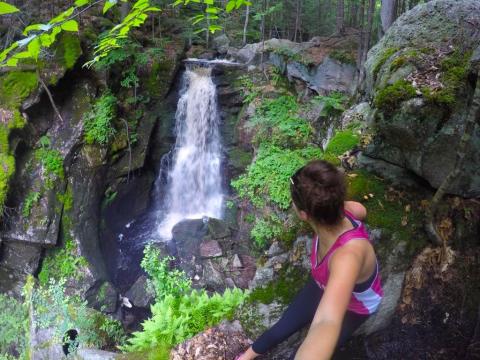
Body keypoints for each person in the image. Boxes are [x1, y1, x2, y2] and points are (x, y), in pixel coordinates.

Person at [236, 160, 383, 360]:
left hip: (356, 306)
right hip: (322, 283)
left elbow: (327, 321)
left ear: (303, 214)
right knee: (281, 328)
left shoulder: (347, 258)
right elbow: (361, 211)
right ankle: (246, 356)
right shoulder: (341, 209)